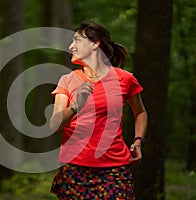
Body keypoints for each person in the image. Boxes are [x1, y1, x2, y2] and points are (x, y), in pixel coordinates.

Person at [50, 20, 148, 199]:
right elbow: (54, 124)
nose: (71, 46)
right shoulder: (67, 80)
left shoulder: (125, 79)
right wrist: (75, 105)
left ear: (96, 43)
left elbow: (140, 112)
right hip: (74, 169)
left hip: (114, 170)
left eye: (77, 40)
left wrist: (138, 140)